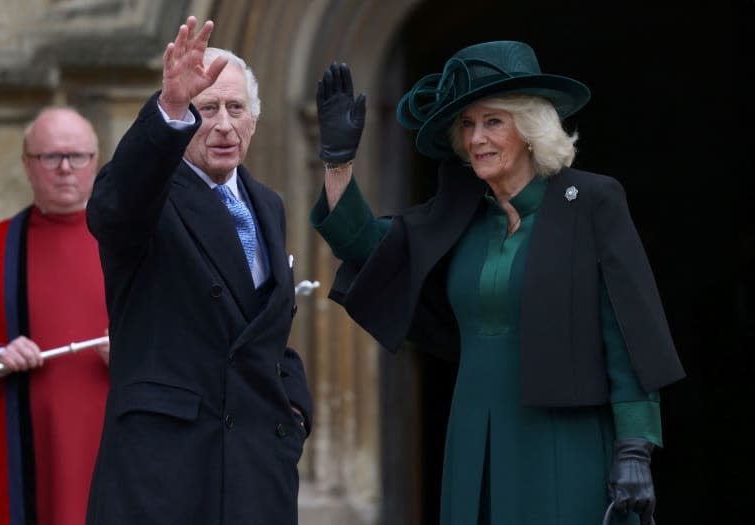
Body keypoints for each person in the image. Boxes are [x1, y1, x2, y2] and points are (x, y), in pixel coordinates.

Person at [310, 41, 685, 524]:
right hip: (475, 432)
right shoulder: (459, 214)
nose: (476, 139)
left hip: (563, 437)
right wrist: (338, 161)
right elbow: (361, 242)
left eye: (493, 122)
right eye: (466, 124)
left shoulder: (591, 200)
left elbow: (626, 323)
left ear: (529, 129)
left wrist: (635, 446)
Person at [84, 16, 313, 525]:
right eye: (207, 109)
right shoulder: (151, 194)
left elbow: (264, 328)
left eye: (236, 108)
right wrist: (168, 107)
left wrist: (295, 406)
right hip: (169, 469)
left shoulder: (267, 204)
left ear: (255, 119)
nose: (224, 125)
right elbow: (115, 208)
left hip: (256, 468)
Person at [0, 107, 110, 525]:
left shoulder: (135, 247)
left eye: (77, 156)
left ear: (96, 161)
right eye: (50, 157)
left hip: (121, 449)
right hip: (22, 458)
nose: (65, 169)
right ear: (27, 164)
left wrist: (141, 349)